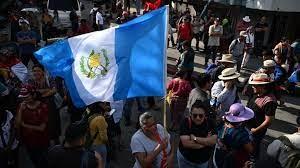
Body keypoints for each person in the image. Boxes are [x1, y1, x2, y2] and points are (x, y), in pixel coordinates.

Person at [16, 84, 49, 168]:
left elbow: (42, 128)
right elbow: (18, 123)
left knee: (44, 161)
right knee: (34, 160)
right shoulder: (22, 106)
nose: (24, 99)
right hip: (28, 141)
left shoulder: (42, 107)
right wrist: (20, 110)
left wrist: (25, 125)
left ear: (33, 95)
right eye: (23, 97)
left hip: (42, 141)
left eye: (27, 97)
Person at [213, 103, 255, 168]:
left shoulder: (222, 124)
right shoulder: (242, 134)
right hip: (234, 160)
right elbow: (250, 149)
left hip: (219, 157)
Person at [28, 64, 61, 145]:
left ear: (43, 71)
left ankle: (56, 142)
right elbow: (31, 92)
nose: (36, 73)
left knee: (53, 123)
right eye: (34, 71)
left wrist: (40, 95)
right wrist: (46, 90)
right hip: (38, 107)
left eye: (38, 70)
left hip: (51, 106)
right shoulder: (31, 81)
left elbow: (54, 90)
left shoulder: (49, 78)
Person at [177, 100, 217, 168]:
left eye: (201, 116)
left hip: (202, 161)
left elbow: (213, 141)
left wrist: (195, 139)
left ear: (205, 115)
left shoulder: (210, 123)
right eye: (195, 115)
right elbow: (186, 144)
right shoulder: (185, 122)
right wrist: (206, 142)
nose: (198, 118)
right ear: (190, 114)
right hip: (186, 160)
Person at [247, 73, 277, 158]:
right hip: (248, 127)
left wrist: (255, 130)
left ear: (263, 86)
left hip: (255, 131)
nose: (252, 87)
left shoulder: (269, 101)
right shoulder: (256, 93)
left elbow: (268, 121)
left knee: (253, 148)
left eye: (255, 85)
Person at [86, 102, 108, 168]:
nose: (106, 104)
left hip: (92, 144)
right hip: (99, 145)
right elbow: (104, 138)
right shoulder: (100, 119)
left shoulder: (90, 113)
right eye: (104, 103)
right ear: (99, 105)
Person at [0, 99, 19, 168]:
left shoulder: (9, 115)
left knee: (13, 163)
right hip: (1, 149)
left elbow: (13, 131)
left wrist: (8, 146)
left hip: (12, 146)